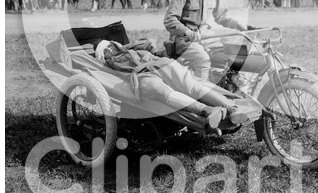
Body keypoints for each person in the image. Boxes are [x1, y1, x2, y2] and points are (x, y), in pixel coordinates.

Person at [94, 39, 249, 128]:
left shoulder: (131, 48)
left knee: (192, 86)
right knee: (160, 91)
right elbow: (107, 77)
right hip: (142, 76)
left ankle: (232, 109)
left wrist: (126, 46)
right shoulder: (108, 64)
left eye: (110, 47)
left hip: (159, 63)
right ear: (103, 56)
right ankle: (207, 110)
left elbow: (148, 44)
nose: (110, 50)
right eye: (106, 50)